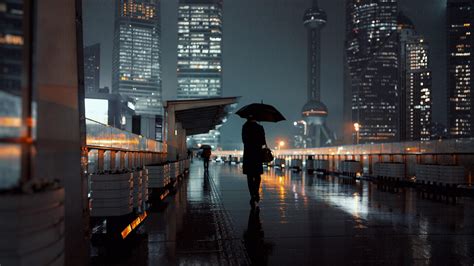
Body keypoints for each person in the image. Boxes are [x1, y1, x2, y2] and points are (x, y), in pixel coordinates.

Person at [242, 116, 266, 208]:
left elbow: (244, 140)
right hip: (257, 154)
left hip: (248, 154)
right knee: (257, 175)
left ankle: (253, 195)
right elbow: (263, 142)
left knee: (249, 176)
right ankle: (256, 192)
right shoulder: (260, 127)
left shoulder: (245, 127)